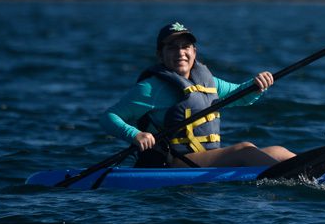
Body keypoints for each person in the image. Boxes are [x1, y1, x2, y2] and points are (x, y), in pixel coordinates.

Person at [100, 21, 296, 168]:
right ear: (160, 54)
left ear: (194, 51)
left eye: (185, 46)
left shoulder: (208, 82)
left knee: (280, 152)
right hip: (175, 162)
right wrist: (135, 135)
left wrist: (258, 85)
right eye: (172, 47)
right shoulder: (150, 88)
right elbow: (109, 117)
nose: (180, 53)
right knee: (245, 149)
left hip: (207, 156)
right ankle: (290, 177)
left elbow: (241, 95)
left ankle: (315, 173)